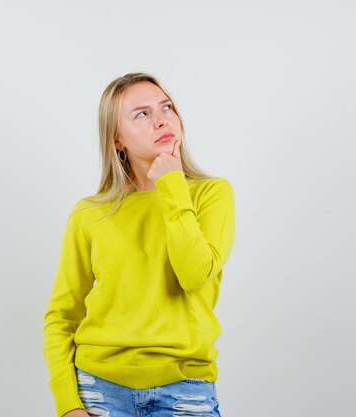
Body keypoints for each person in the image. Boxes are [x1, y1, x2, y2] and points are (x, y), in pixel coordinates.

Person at [43, 72, 235, 417]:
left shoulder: (211, 194)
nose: (161, 119)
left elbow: (194, 275)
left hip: (185, 388)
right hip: (98, 389)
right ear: (117, 139)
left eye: (166, 107)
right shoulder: (90, 213)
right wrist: (67, 404)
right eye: (142, 114)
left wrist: (173, 184)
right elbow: (62, 314)